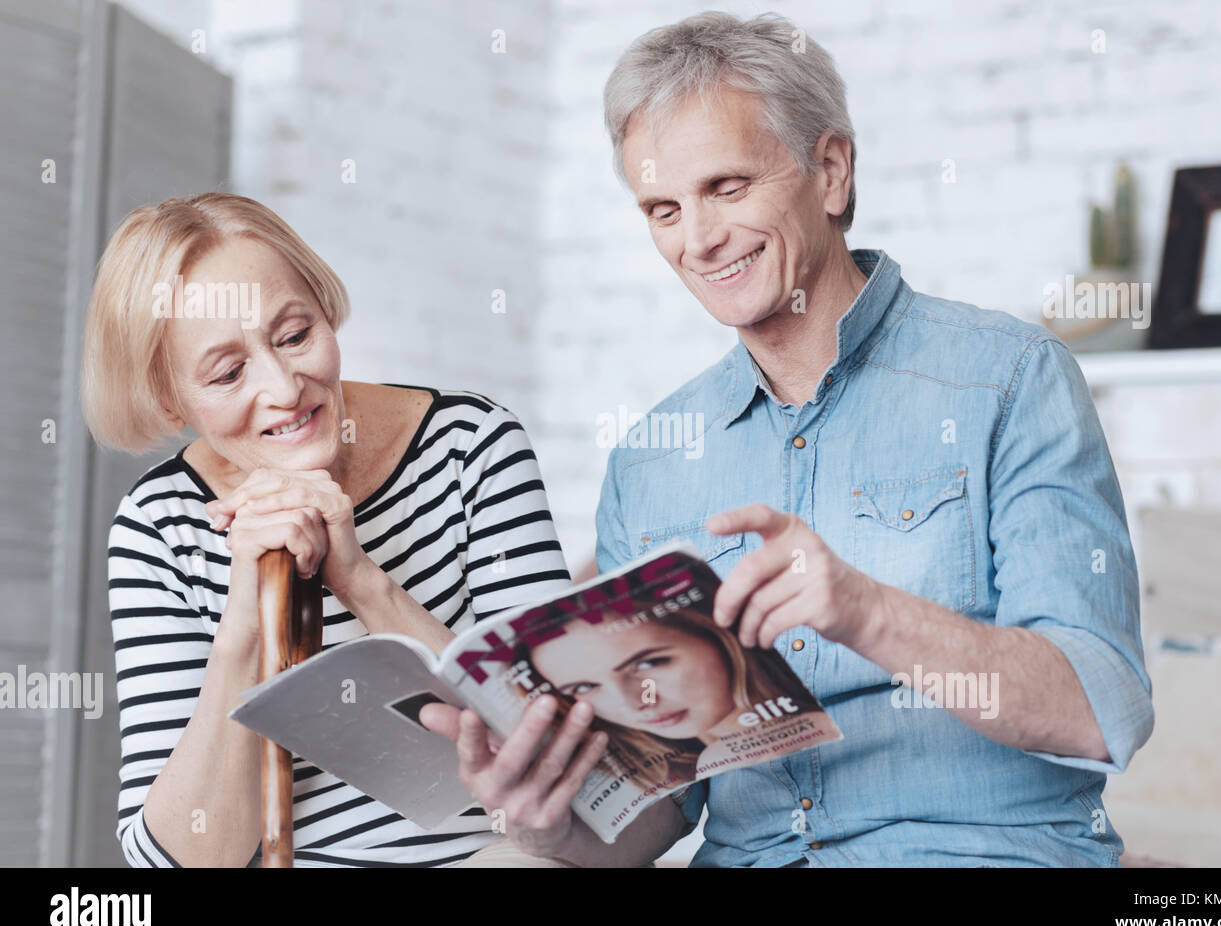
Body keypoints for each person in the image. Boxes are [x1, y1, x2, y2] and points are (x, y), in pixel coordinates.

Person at [422, 11, 1154, 867]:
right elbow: (664, 806)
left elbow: (1101, 708)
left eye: (727, 188)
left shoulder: (1011, 379)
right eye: (664, 209)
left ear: (831, 170)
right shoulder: (651, 460)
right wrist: (549, 819)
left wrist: (868, 611)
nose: (698, 240)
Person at [85, 192, 571, 867]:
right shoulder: (159, 525)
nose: (286, 387)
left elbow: (566, 761)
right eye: (229, 372)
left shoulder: (470, 448)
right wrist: (246, 622)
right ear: (170, 398)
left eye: (294, 334)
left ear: (324, 308)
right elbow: (183, 860)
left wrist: (361, 579)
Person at [510, 591, 829, 795]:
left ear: (716, 636)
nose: (636, 704)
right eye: (583, 687)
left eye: (648, 663)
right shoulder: (662, 772)